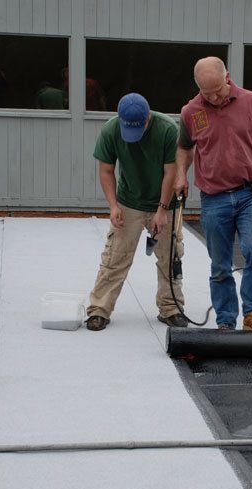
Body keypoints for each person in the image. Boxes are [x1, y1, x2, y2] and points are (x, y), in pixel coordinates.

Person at [175, 57, 252, 332]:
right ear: (197, 87)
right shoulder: (191, 112)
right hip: (214, 198)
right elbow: (184, 147)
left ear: (227, 78)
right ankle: (226, 319)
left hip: (250, 193)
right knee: (220, 264)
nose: (214, 97)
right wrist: (181, 174)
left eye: (218, 89)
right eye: (207, 93)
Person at [86, 92, 188, 331]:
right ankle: (99, 309)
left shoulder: (167, 129)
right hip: (128, 201)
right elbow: (106, 170)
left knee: (170, 257)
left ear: (147, 118)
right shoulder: (111, 130)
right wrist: (113, 205)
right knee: (115, 257)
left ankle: (171, 308)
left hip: (165, 203)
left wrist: (162, 210)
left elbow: (170, 172)